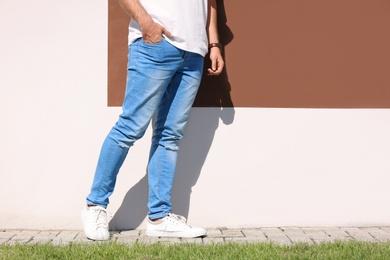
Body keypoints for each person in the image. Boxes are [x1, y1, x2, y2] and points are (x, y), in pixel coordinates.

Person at [81, 0, 224, 240]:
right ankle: (94, 206)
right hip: (155, 45)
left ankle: (159, 217)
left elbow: (211, 3)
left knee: (169, 136)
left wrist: (214, 43)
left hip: (194, 54)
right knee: (129, 129)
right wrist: (147, 24)